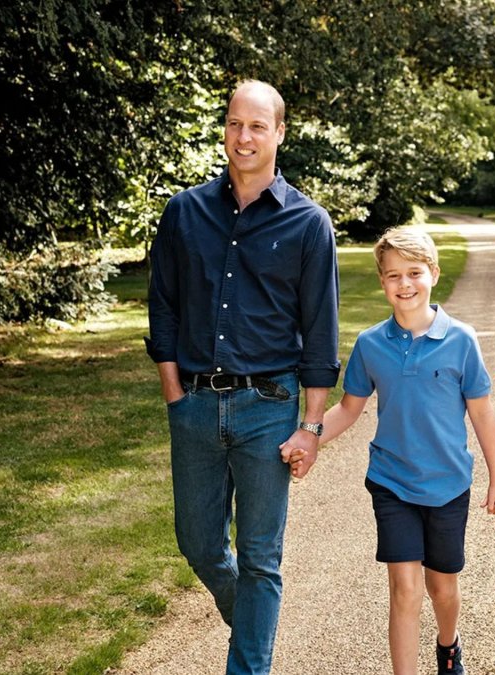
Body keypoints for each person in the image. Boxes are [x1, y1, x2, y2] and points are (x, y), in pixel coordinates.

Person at [145, 80, 340, 674]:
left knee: (260, 557)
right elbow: (164, 307)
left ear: (280, 133)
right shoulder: (185, 212)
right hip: (197, 407)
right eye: (235, 124)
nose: (244, 136)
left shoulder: (310, 223)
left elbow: (321, 333)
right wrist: (175, 393)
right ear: (225, 129)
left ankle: (248, 666)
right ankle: (254, 632)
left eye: (258, 126)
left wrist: (310, 425)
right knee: (200, 544)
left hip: (268, 407)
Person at [283, 227, 495, 675]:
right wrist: (307, 435)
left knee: (442, 589)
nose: (404, 284)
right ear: (381, 282)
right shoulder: (370, 344)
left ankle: (449, 646)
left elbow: (483, 416)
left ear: (433, 275)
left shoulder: (461, 339)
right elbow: (349, 410)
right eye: (393, 276)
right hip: (392, 482)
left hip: (448, 484)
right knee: (404, 588)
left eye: (414, 273)